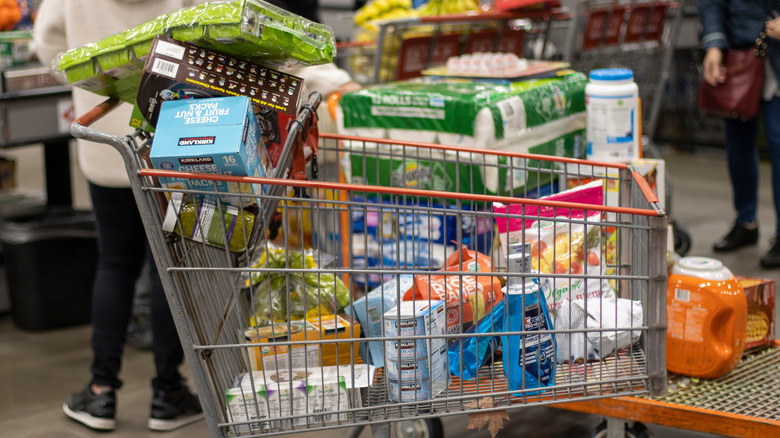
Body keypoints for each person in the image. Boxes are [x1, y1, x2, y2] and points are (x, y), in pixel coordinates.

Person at [34, 0, 358, 432]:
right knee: (168, 268)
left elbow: (48, 45)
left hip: (105, 142)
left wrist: (111, 75)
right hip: (174, 140)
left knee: (113, 261)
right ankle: (167, 392)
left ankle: (100, 392)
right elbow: (231, 38)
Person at [699, 0, 780, 268]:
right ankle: (746, 223)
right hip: (741, 55)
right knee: (738, 143)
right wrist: (714, 44)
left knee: (778, 141)